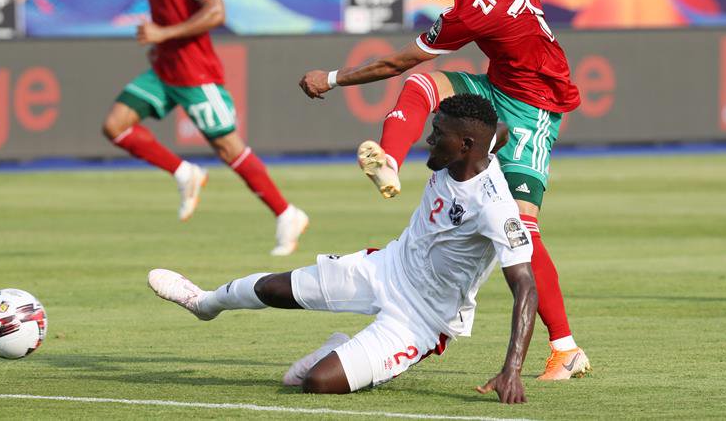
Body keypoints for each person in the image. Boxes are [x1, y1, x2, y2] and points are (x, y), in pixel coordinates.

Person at [299, 0, 704, 378]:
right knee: (423, 86)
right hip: (498, 88)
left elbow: (395, 60)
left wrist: (332, 78)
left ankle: (566, 349)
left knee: (523, 230)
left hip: (534, 107)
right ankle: (390, 160)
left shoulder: (469, 11)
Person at [148, 94, 539, 403]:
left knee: (316, 383)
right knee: (272, 289)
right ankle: (204, 303)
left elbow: (525, 286)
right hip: (386, 268)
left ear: (466, 144)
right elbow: (497, 131)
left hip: (422, 320)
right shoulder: (468, 150)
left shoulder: (495, 207)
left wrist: (513, 369)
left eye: (438, 133)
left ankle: (338, 348)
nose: (429, 139)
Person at [102, 0, 307, 256]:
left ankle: (286, 213)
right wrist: (159, 40)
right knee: (115, 125)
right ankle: (185, 173)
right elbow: (171, 11)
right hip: (165, 68)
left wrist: (163, 33)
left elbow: (216, 13)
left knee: (229, 149)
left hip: (196, 73)